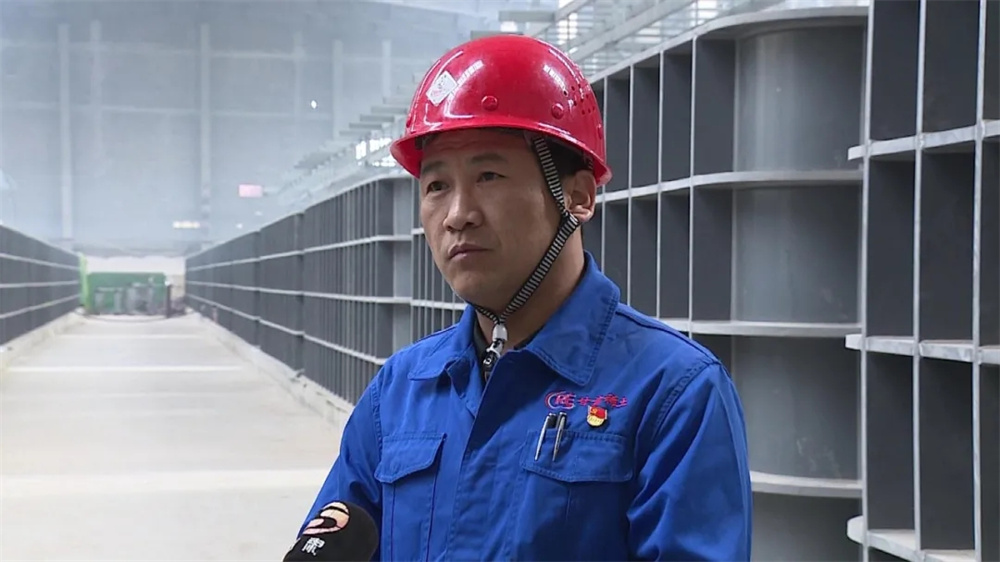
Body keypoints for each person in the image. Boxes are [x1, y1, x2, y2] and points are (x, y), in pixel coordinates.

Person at [300, 34, 753, 561]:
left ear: (577, 197)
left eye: (488, 176)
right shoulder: (401, 391)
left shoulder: (672, 393)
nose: (457, 215)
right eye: (436, 186)